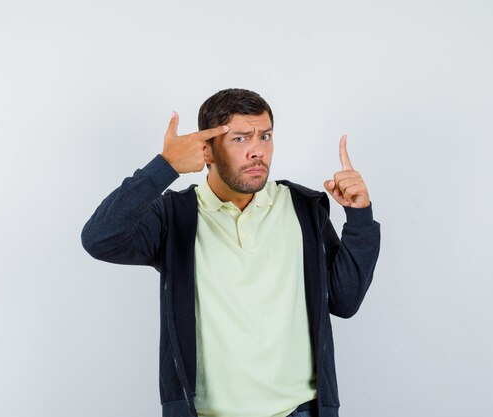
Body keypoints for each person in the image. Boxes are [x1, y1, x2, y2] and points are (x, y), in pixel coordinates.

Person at [81, 88, 381, 417]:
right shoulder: (175, 215)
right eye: (240, 139)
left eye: (265, 136)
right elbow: (100, 238)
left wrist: (359, 216)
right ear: (206, 151)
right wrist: (164, 167)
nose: (258, 151)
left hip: (300, 411)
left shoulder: (302, 207)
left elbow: (345, 300)